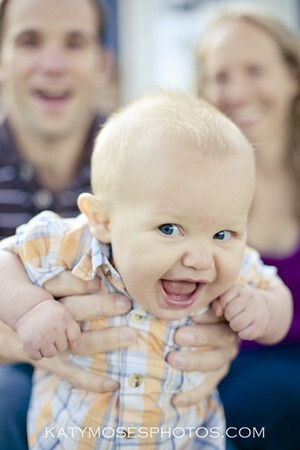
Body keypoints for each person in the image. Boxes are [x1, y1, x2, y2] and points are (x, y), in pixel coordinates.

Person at [0, 0, 240, 448]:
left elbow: (223, 258)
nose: (53, 64)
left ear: (103, 63)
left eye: (75, 43)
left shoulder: (149, 155)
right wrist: (19, 330)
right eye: (29, 41)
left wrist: (222, 336)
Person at [0, 90, 292, 449]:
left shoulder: (237, 271)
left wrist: (263, 310)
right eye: (170, 229)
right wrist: (31, 308)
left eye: (222, 233)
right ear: (102, 220)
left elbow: (279, 297)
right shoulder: (74, 244)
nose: (201, 258)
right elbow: (5, 260)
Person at [195, 5, 300, 449]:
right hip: (233, 383)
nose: (237, 92)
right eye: (221, 77)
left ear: (292, 76)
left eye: (255, 70)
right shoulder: (191, 186)